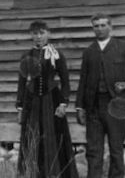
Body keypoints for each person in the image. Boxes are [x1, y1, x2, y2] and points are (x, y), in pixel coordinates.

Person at [76, 14, 125, 178]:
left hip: (116, 104)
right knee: (93, 149)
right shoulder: (89, 51)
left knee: (116, 148)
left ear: (111, 27)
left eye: (103, 25)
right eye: (96, 26)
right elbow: (83, 80)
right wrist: (80, 107)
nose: (99, 29)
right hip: (94, 106)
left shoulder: (123, 46)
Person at [16, 20, 78, 178]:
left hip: (52, 100)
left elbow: (65, 82)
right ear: (31, 35)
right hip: (32, 102)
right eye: (35, 33)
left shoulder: (56, 54)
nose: (38, 37)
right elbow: (22, 83)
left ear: (48, 34)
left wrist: (63, 103)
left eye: (41, 33)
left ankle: (54, 173)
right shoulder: (26, 55)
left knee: (53, 136)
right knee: (32, 136)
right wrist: (20, 108)